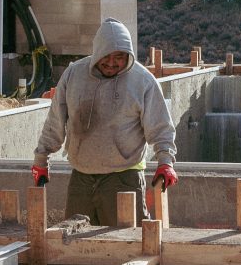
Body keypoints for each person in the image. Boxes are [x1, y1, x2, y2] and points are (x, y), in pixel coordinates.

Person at [32, 18, 176, 225]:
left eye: (119, 57)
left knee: (126, 243)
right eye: (105, 56)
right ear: (96, 53)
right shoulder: (74, 75)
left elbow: (161, 127)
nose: (111, 63)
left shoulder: (142, 81)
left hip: (124, 177)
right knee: (74, 244)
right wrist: (41, 160)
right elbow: (55, 120)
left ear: (128, 55)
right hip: (81, 176)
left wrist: (165, 162)